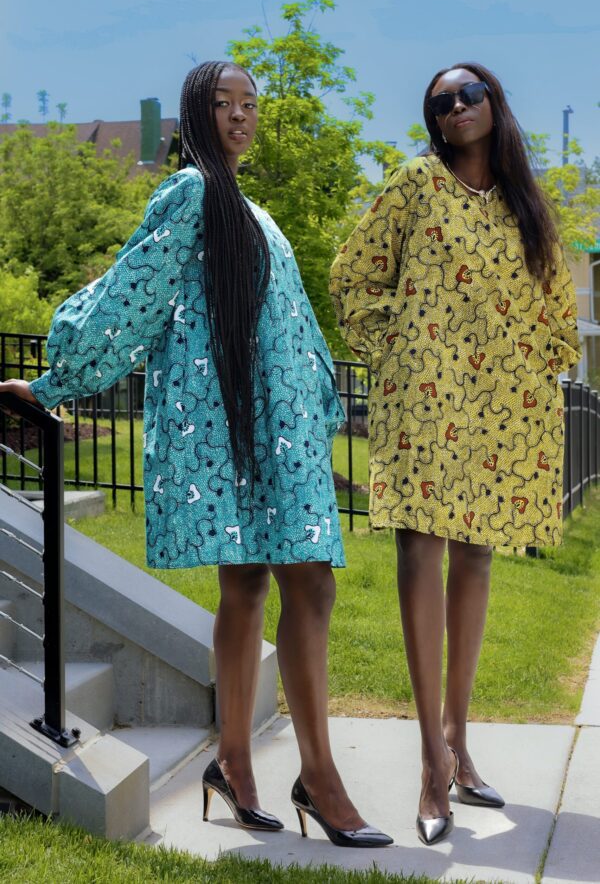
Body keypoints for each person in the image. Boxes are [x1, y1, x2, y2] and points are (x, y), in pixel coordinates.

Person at [0, 61, 392, 848]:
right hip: (230, 428)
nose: (240, 117)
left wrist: (322, 408)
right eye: (224, 104)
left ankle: (238, 765)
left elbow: (297, 324)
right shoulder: (190, 195)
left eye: (251, 105)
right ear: (194, 114)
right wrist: (57, 379)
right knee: (281, 584)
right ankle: (309, 776)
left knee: (278, 586)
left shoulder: (256, 211)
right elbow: (131, 294)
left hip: (278, 432)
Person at [330, 61, 581, 845]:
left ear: (494, 104)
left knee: (477, 559)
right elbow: (351, 276)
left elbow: (557, 307)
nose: (458, 106)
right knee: (422, 551)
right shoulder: (414, 186)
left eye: (470, 93)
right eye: (441, 101)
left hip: (502, 409)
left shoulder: (525, 205)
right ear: (434, 121)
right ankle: (430, 768)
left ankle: (460, 743)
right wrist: (396, 343)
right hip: (425, 401)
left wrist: (539, 363)